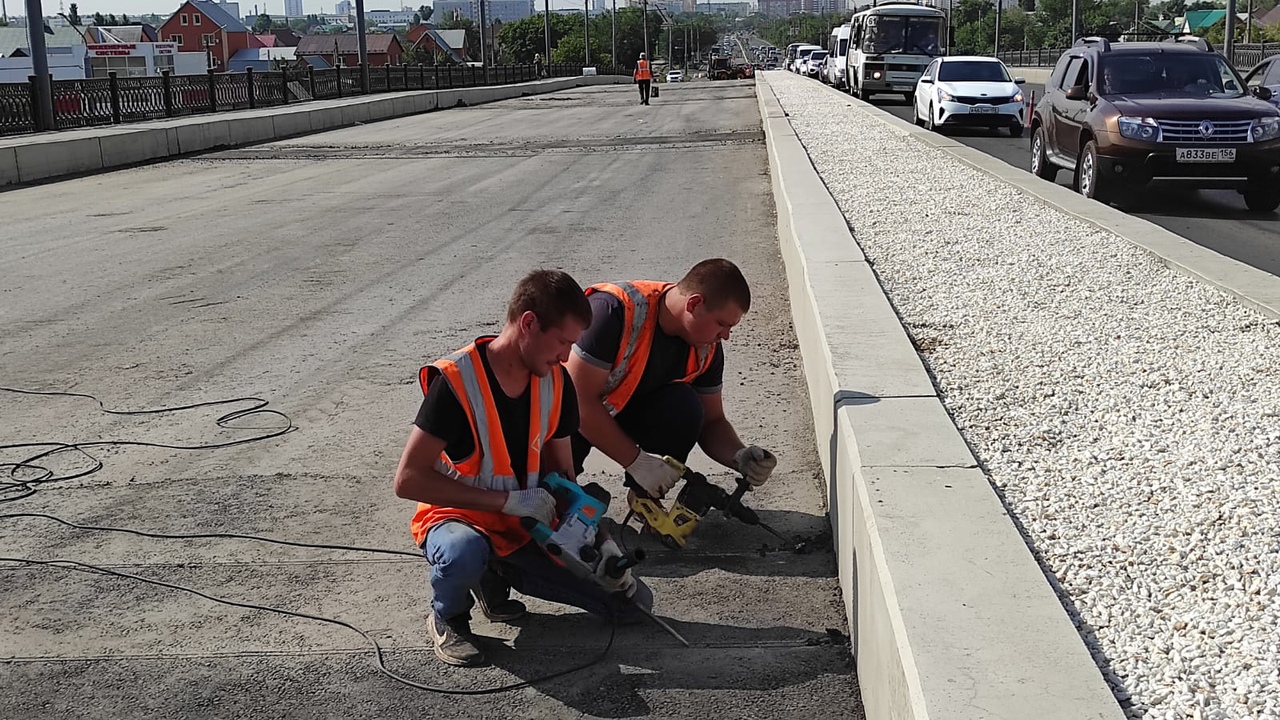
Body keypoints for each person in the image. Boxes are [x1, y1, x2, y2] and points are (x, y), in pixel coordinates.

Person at [394, 269, 653, 668]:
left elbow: (566, 481)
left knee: (633, 604)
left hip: (525, 526)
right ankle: (449, 615)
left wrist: (601, 542)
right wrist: (504, 501)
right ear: (529, 323)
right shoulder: (456, 381)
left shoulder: (556, 381)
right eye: (563, 342)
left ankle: (492, 575)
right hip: (460, 520)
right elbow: (408, 480)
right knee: (463, 552)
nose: (567, 356)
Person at [566, 259, 778, 504]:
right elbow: (579, 403)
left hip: (616, 411)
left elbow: (712, 421)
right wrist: (637, 462)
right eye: (722, 324)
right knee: (550, 498)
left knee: (684, 407)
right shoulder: (614, 312)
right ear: (695, 304)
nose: (726, 336)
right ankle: (564, 491)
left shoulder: (707, 347)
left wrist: (738, 456)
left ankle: (645, 497)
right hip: (565, 417)